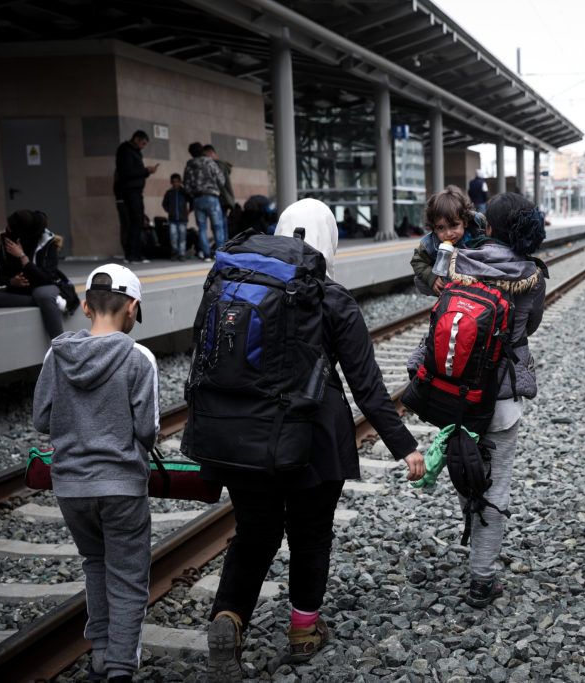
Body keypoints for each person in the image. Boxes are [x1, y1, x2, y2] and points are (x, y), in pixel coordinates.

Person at [202, 198, 425, 681]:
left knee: (255, 531)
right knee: (310, 534)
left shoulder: (237, 284)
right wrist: (405, 446)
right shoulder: (333, 298)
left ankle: (228, 618)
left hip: (243, 436)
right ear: (330, 242)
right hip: (313, 442)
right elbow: (367, 387)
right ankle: (303, 631)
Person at [408, 192, 547, 608]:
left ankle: (475, 535)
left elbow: (425, 287)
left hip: (454, 394)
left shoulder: (457, 259)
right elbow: (530, 327)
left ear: (485, 226)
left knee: (468, 471)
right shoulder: (530, 274)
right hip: (501, 400)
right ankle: (482, 578)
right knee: (495, 486)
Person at [32, 263, 158, 683]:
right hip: (122, 486)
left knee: (96, 564)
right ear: (132, 308)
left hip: (70, 486)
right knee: (127, 574)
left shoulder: (56, 353)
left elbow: (41, 419)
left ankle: (102, 654)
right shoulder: (139, 357)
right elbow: (147, 430)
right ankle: (121, 668)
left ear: (86, 307)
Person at [0, 210, 69, 339]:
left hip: (43, 286)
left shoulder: (48, 243)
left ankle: (61, 344)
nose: (7, 229)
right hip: (19, 290)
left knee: (43, 295)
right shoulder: (8, 241)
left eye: (10, 227)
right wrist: (11, 281)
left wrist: (22, 257)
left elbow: (48, 278)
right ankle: (46, 303)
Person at [410, 185, 486, 295]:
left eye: (454, 225)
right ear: (434, 228)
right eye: (441, 228)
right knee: (419, 280)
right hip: (454, 279)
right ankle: (452, 295)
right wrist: (432, 278)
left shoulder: (478, 224)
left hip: (479, 276)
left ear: (465, 222)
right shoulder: (431, 243)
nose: (448, 234)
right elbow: (417, 261)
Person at [114, 131, 159, 264]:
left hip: (136, 191)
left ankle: (137, 253)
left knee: (138, 221)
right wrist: (145, 171)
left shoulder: (135, 151)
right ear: (136, 139)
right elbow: (127, 172)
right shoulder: (126, 150)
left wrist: (146, 172)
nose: (143, 146)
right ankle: (131, 254)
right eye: (143, 143)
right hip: (128, 192)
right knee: (134, 222)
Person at [183, 142, 227, 259]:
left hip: (197, 199)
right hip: (212, 197)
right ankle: (219, 255)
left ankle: (206, 254)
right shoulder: (209, 162)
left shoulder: (189, 165)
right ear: (202, 150)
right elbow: (221, 179)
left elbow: (186, 185)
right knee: (217, 226)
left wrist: (193, 194)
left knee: (202, 228)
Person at [203, 144, 235, 240]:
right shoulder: (221, 165)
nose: (205, 159)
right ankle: (224, 246)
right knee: (222, 222)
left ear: (211, 153)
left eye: (205, 156)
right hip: (224, 198)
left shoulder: (218, 166)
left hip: (221, 198)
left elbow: (218, 182)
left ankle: (223, 246)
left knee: (219, 224)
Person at [162, 173, 190, 260]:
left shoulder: (184, 192)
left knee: (182, 237)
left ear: (180, 182)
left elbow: (191, 199)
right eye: (173, 182)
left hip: (182, 219)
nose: (175, 184)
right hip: (172, 219)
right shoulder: (169, 192)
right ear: (171, 182)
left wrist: (189, 210)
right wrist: (169, 211)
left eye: (177, 182)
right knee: (173, 237)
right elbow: (164, 204)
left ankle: (181, 254)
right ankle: (174, 252)